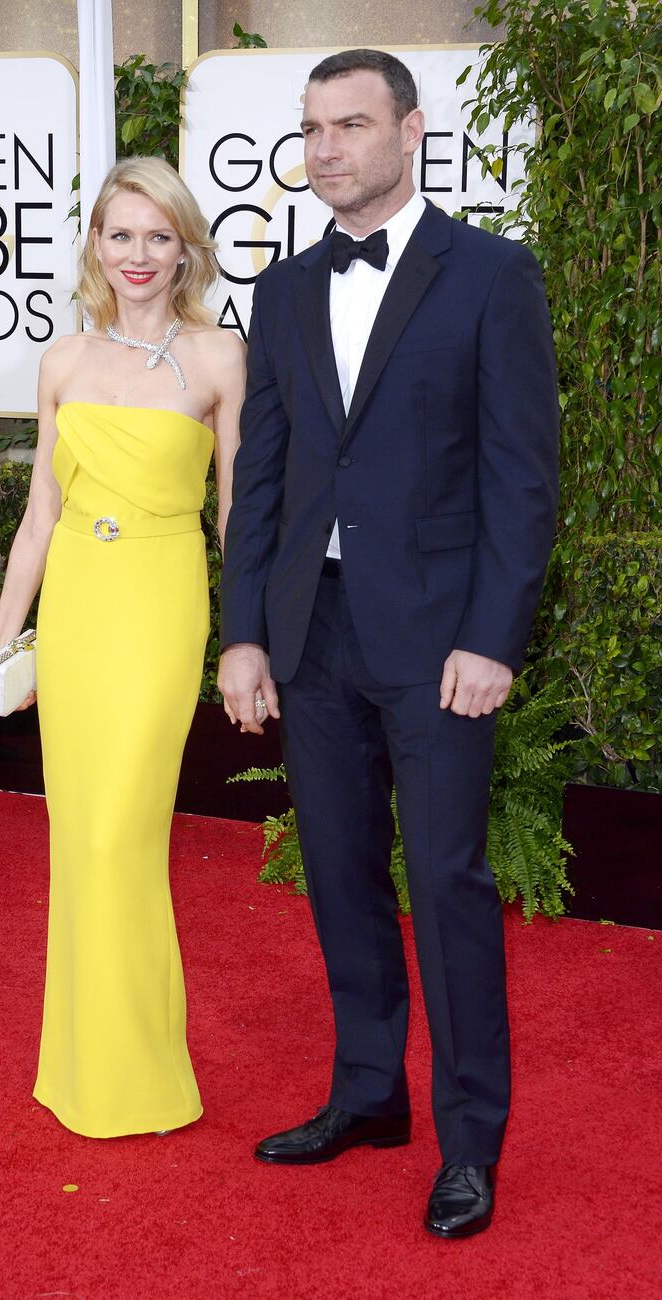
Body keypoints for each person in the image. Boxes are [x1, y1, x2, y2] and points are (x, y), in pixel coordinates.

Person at [218, 49, 558, 1237]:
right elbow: (260, 475)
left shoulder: (490, 277)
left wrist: (491, 637)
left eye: (349, 125)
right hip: (311, 635)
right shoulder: (281, 289)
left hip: (436, 644)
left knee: (448, 884)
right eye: (310, 129)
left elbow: (523, 480)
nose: (325, 149)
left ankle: (470, 1138)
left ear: (410, 131)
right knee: (340, 874)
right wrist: (243, 633)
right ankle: (368, 1092)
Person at [0, 157, 244, 1138]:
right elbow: (40, 509)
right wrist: (6, 636)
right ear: (95, 243)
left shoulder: (220, 357)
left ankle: (140, 1073)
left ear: (185, 247)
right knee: (77, 837)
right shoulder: (63, 362)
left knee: (118, 835)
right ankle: (87, 1066)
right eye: (118, 234)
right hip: (82, 610)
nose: (137, 254)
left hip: (157, 603)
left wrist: (246, 634)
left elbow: (234, 512)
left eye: (157, 235)